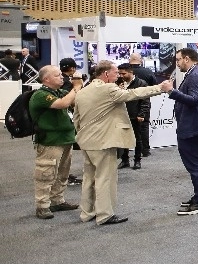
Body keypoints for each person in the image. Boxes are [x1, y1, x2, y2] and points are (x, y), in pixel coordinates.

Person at [73, 60, 171, 226]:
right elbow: (133, 94)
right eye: (115, 73)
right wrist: (159, 88)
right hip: (103, 142)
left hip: (86, 141)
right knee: (105, 178)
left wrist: (83, 135)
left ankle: (87, 213)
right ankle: (104, 215)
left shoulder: (83, 91)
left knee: (89, 178)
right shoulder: (108, 88)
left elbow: (76, 118)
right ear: (105, 74)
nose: (118, 76)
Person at [166, 48, 198, 216]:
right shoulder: (196, 73)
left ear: (187, 59)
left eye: (178, 60)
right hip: (194, 125)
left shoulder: (195, 75)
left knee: (196, 164)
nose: (177, 63)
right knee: (197, 163)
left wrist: (171, 92)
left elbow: (194, 100)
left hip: (193, 127)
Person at [28, 65, 80, 219]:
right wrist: (76, 87)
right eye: (58, 75)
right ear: (46, 79)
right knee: (45, 174)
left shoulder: (59, 92)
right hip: (50, 141)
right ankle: (42, 206)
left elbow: (74, 100)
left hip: (66, 139)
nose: (62, 77)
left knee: (62, 173)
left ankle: (57, 201)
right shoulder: (41, 95)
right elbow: (63, 104)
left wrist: (78, 88)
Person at [116, 64, 151, 170]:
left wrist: (141, 114)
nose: (121, 75)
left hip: (135, 116)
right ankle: (125, 160)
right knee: (123, 139)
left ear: (131, 72)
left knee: (137, 139)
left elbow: (145, 100)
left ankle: (137, 160)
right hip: (122, 115)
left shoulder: (141, 83)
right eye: (120, 73)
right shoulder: (118, 83)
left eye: (123, 73)